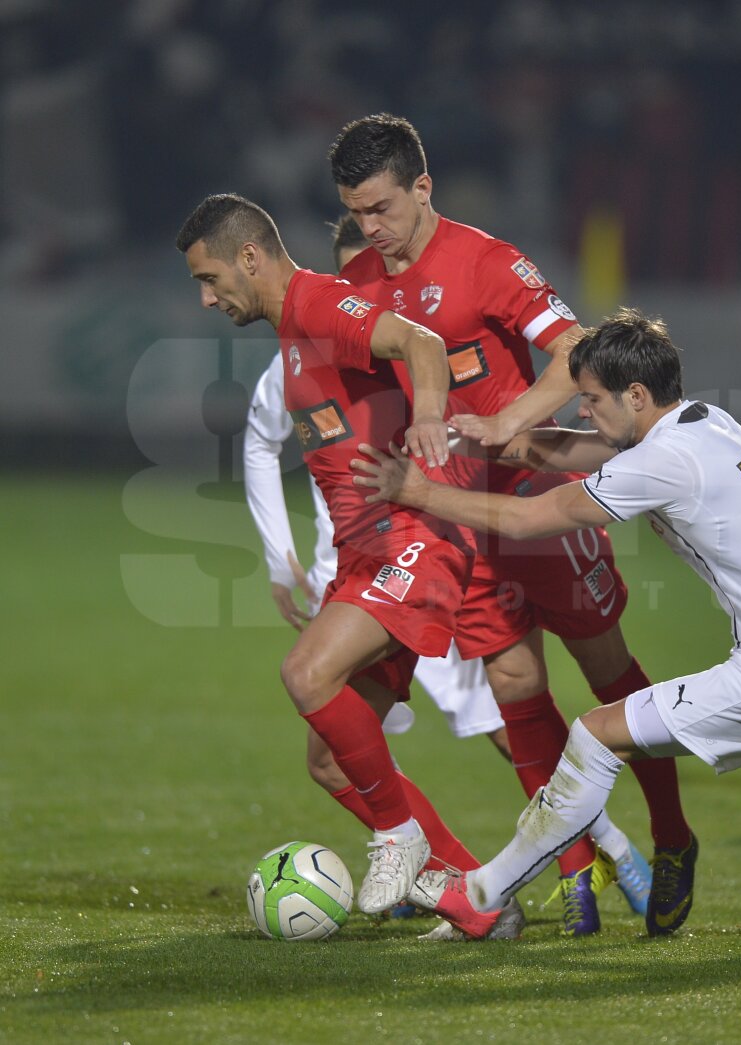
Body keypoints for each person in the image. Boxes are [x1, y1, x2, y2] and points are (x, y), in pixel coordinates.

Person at [350, 307, 741, 945]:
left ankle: (480, 894)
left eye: (590, 399)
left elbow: (533, 517)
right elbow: (600, 450)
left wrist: (418, 493)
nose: (583, 411)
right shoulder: (706, 421)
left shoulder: (664, 461)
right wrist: (520, 442)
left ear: (637, 395)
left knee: (595, 737)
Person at [327, 114, 690, 936]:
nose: (371, 230)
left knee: (607, 672)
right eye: (357, 213)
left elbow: (576, 348)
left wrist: (508, 420)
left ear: (423, 187)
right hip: (458, 520)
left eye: (383, 208)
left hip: (538, 501)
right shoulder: (357, 275)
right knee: (517, 692)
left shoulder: (486, 260)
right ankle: (575, 871)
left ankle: (672, 834)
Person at [244, 214, 656, 933]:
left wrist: (597, 446)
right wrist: (287, 556)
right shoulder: (302, 354)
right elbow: (261, 440)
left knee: (530, 700)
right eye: (356, 282)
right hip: (379, 563)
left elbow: (454, 368)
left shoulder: (388, 330)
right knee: (346, 753)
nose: (369, 293)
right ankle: (474, 899)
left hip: (439, 540)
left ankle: (625, 844)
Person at [175, 192, 521, 940]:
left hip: (415, 540)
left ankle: (398, 836)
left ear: (249, 257)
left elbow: (424, 342)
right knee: (332, 763)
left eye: (209, 278)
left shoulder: (322, 303)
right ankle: (479, 899)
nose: (207, 298)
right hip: (367, 555)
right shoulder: (292, 335)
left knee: (305, 673)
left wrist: (430, 417)